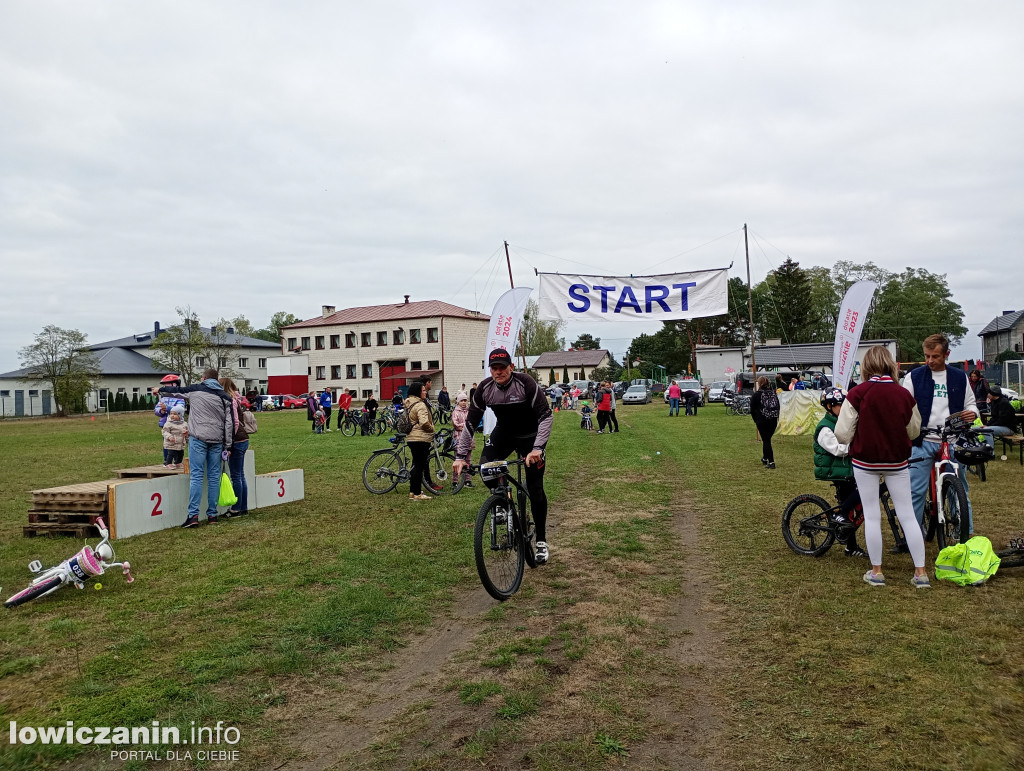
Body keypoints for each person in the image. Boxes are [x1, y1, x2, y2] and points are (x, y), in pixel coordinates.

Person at [835, 346, 926, 587]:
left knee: (872, 515)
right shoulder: (904, 394)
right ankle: (921, 572)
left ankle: (877, 571)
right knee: (907, 515)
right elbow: (914, 430)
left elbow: (842, 434)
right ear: (890, 365)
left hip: (865, 461)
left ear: (866, 366)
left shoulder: (857, 393)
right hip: (897, 461)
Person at [453, 349, 553, 564]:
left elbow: (546, 416)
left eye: (502, 367)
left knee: (535, 489)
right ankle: (499, 502)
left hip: (530, 437)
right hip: (504, 434)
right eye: (494, 368)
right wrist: (460, 456)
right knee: (485, 467)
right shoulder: (485, 388)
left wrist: (537, 448)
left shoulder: (525, 382)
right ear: (490, 370)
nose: (498, 372)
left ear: (511, 367)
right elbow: (470, 424)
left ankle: (542, 542)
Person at [902, 333, 979, 534]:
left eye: (935, 356)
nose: (929, 361)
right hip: (923, 440)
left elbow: (970, 403)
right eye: (926, 356)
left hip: (952, 440)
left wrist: (972, 412)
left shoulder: (959, 377)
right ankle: (912, 534)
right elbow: (904, 406)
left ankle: (964, 532)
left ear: (946, 354)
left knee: (959, 488)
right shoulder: (913, 377)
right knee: (915, 491)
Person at [157, 368, 234, 528]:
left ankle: (193, 516)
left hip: (198, 438)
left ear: (204, 378)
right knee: (214, 476)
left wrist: (161, 390)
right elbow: (229, 423)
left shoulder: (196, 389)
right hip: (217, 440)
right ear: (217, 379)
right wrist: (227, 445)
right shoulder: (225, 397)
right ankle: (212, 514)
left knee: (197, 476)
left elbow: (177, 391)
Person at [813, 388, 867, 558]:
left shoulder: (841, 423)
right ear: (829, 406)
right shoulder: (824, 428)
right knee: (853, 501)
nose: (843, 408)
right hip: (835, 471)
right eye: (839, 405)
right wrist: (856, 448)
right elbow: (836, 449)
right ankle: (839, 514)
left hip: (847, 469)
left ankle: (850, 547)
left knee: (853, 507)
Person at [220, 377, 250, 518]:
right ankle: (243, 506)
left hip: (236, 441)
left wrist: (229, 443)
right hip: (243, 439)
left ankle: (236, 508)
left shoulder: (230, 400)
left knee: (236, 476)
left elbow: (235, 422)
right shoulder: (236, 399)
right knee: (241, 475)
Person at [404, 381, 438, 500]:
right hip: (421, 438)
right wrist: (432, 428)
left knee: (415, 465)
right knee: (419, 466)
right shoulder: (420, 405)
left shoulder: (409, 403)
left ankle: (413, 491)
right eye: (423, 390)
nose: (425, 392)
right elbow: (424, 422)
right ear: (418, 392)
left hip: (411, 438)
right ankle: (417, 493)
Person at [750, 376, 781, 469]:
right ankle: (764, 458)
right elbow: (778, 406)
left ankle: (771, 462)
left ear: (759, 384)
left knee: (766, 440)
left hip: (762, 420)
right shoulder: (773, 393)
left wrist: (756, 420)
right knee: (767, 440)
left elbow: (752, 409)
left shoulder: (756, 395)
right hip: (773, 420)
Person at [450, 392, 474, 487]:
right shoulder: (455, 412)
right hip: (459, 438)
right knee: (457, 459)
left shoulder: (469, 411)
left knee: (468, 460)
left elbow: (473, 422)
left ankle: (467, 480)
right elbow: (456, 424)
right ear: (458, 402)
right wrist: (466, 426)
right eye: (462, 401)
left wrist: (468, 426)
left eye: (465, 400)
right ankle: (455, 481)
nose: (464, 402)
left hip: (469, 439)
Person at [161, 405, 187, 469]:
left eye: (175, 414)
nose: (172, 415)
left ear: (180, 415)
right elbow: (164, 431)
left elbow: (187, 433)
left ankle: (178, 462)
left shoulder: (184, 424)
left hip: (180, 443)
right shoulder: (168, 423)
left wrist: (187, 437)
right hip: (171, 442)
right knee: (171, 453)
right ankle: (168, 463)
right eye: (171, 414)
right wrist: (169, 436)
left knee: (180, 454)